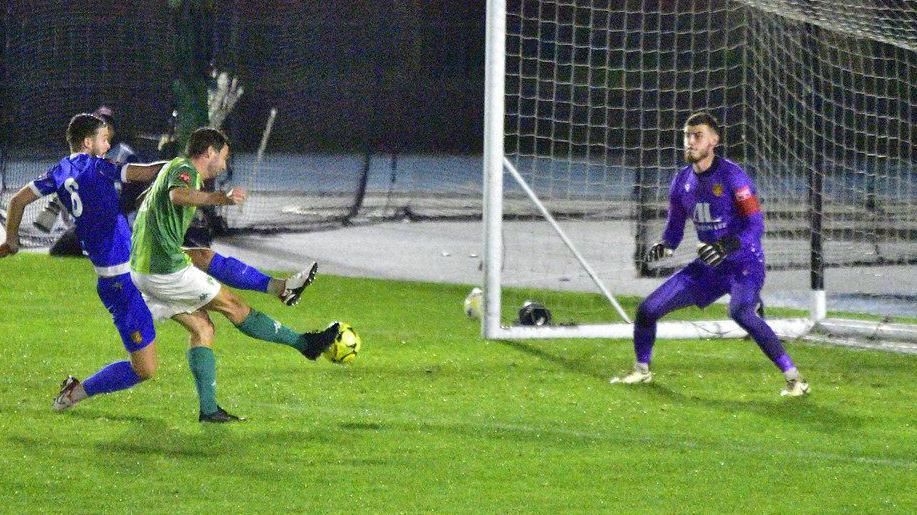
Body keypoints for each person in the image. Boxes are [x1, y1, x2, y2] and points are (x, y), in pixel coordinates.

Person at [129, 127, 339, 422]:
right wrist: (221, 199)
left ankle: (209, 410)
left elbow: (146, 201)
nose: (225, 166)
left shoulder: (173, 168)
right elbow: (177, 195)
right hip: (165, 271)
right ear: (210, 153)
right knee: (235, 306)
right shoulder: (185, 169)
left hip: (143, 270)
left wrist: (155, 216)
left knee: (203, 325)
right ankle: (306, 344)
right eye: (223, 158)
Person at [610, 112, 809, 397]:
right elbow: (675, 230)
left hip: (745, 262)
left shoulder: (733, 176)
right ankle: (642, 370)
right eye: (687, 136)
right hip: (710, 265)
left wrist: (727, 246)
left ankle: (795, 379)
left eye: (697, 136)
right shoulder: (681, 182)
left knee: (740, 312)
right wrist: (665, 245)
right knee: (647, 310)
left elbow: (756, 225)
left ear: (714, 141)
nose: (690, 142)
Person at [1, 113, 168, 409]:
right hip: (121, 283)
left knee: (199, 310)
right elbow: (145, 172)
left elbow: (16, 201)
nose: (108, 145)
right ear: (88, 142)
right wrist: (178, 165)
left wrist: (11, 240)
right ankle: (73, 394)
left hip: (132, 275)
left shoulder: (58, 171)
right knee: (146, 369)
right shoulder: (98, 167)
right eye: (104, 140)